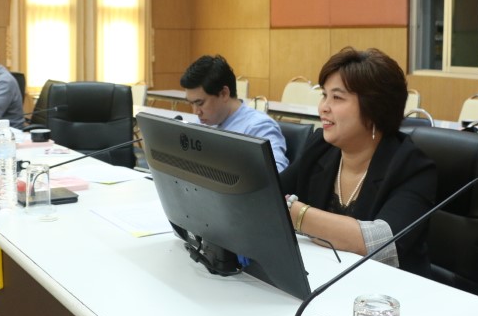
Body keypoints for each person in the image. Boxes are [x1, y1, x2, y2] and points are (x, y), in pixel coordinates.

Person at [280, 47, 436, 277]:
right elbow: (269, 192)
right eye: (324, 95)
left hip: (389, 289)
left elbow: (383, 242)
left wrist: (297, 214)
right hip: (324, 276)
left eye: (337, 97)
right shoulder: (320, 147)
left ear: (374, 109)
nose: (323, 107)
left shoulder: (412, 166)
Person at [180, 55, 289, 172]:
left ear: (224, 93)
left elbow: (277, 173)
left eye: (200, 103)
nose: (196, 112)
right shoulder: (203, 122)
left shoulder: (258, 127)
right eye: (191, 103)